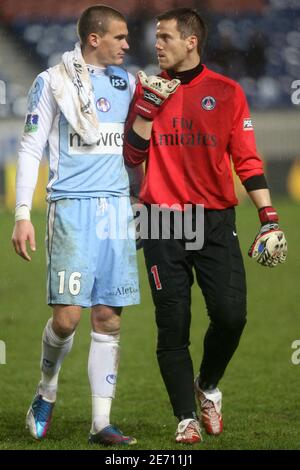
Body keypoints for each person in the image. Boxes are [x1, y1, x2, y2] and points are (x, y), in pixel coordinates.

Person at [124, 7, 287, 444]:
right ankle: (185, 418)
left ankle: (208, 386)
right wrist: (144, 111)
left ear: (191, 41)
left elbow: (247, 160)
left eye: (165, 37)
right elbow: (132, 158)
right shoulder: (146, 90)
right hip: (159, 220)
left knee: (231, 316)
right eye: (155, 37)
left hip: (214, 219)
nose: (156, 44)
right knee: (172, 324)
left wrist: (268, 216)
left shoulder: (228, 93)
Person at [11, 5, 141, 446]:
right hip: (70, 209)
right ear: (94, 39)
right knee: (66, 320)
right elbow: (30, 150)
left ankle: (101, 423)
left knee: (107, 318)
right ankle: (46, 390)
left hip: (116, 210)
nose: (127, 44)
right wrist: (22, 215)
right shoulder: (52, 82)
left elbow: (141, 142)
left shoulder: (131, 83)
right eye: (119, 37)